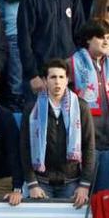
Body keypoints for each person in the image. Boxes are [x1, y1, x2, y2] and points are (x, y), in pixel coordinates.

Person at [21, 58, 94, 208]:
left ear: (67, 80)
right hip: (41, 183)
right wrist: (32, 183)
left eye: (61, 77)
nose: (57, 82)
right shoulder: (31, 109)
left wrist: (84, 185)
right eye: (53, 77)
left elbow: (89, 147)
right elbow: (24, 147)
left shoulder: (81, 107)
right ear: (44, 80)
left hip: (71, 182)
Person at [17, 0, 85, 97]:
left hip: (67, 75)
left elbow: (80, 36)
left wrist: (76, 69)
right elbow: (24, 40)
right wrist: (33, 75)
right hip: (40, 74)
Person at [68, 19, 109, 192]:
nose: (106, 41)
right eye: (101, 37)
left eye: (108, 37)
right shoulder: (70, 64)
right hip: (85, 146)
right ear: (88, 39)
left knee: (106, 200)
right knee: (81, 202)